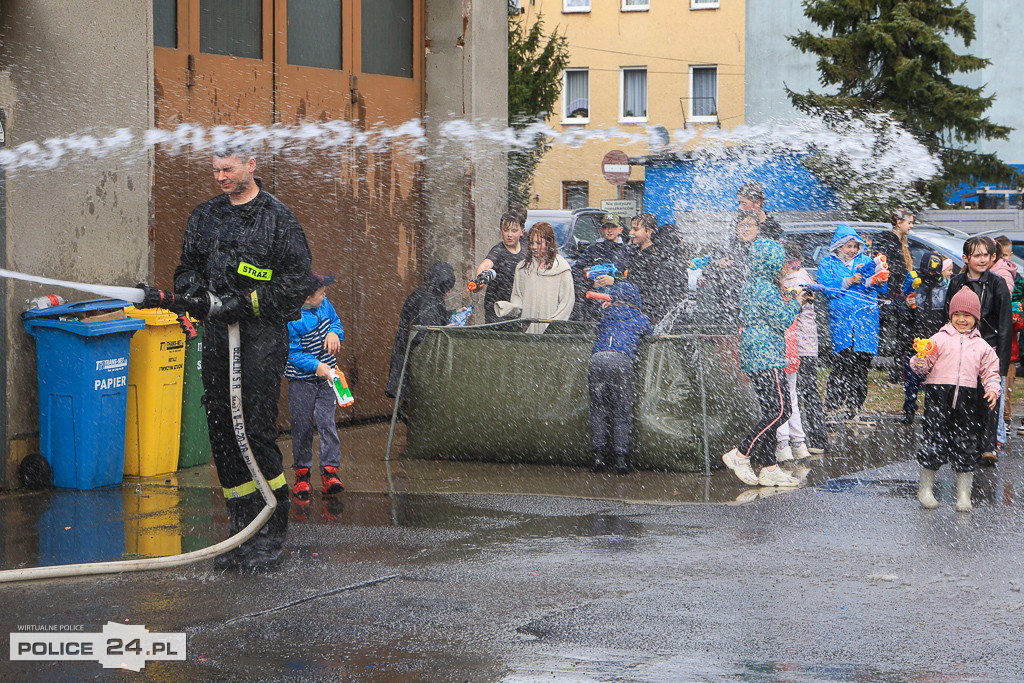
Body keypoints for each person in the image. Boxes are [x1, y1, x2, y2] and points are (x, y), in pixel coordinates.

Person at [173, 146, 315, 572]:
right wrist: (196, 292)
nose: (220, 177)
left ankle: (271, 529)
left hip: (260, 338)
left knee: (252, 427)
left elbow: (296, 282)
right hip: (217, 337)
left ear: (251, 166)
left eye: (228, 169)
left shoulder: (277, 220)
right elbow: (185, 268)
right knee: (222, 427)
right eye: (215, 169)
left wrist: (246, 303)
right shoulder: (205, 217)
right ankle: (240, 530)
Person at [721, 238, 808, 488]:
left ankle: (769, 467)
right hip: (766, 353)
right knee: (779, 411)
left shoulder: (754, 284)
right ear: (771, 263)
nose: (782, 265)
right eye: (779, 261)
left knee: (771, 410)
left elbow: (766, 311)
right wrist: (797, 303)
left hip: (755, 352)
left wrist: (789, 297)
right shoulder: (766, 288)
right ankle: (740, 453)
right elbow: (781, 320)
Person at [910, 287, 999, 512]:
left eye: (967, 316)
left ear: (976, 318)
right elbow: (923, 360)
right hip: (938, 396)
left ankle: (963, 494)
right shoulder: (939, 338)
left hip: (967, 400)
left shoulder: (982, 346)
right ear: (950, 315)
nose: (961, 319)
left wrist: (992, 389)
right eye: (957, 314)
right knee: (933, 439)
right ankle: (926, 489)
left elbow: (991, 371)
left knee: (966, 443)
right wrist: (919, 363)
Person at [944, 236, 1011, 466]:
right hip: (963, 347)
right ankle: (966, 443)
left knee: (989, 398)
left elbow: (1004, 324)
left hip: (989, 347)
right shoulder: (956, 282)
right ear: (966, 258)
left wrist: (1001, 363)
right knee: (964, 397)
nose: (982, 260)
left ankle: (988, 446)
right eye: (977, 255)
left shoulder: (997, 283)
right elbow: (949, 316)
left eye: (986, 255)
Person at [817, 224, 887, 428]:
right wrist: (848, 281)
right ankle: (831, 408)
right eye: (848, 246)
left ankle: (854, 410)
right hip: (842, 323)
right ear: (838, 246)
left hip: (866, 322)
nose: (853, 250)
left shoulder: (867, 261)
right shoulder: (827, 264)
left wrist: (880, 280)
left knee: (861, 366)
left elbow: (881, 287)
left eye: (856, 246)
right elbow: (827, 289)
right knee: (842, 365)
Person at [285, 271, 346, 502]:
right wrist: (315, 365)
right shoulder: (293, 318)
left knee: (327, 422)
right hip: (302, 381)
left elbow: (337, 322)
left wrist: (333, 332)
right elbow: (292, 353)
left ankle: (330, 472)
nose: (325, 295)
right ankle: (302, 475)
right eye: (321, 293)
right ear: (307, 298)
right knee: (301, 425)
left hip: (329, 378)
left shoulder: (325, 305)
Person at [588, 282, 652, 474]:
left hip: (597, 360)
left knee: (599, 409)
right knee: (621, 410)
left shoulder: (606, 315)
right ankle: (621, 459)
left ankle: (599, 458)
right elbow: (650, 334)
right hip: (621, 361)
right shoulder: (640, 319)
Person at [780, 242, 826, 456]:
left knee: (803, 390)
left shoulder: (795, 280)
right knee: (805, 391)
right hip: (803, 344)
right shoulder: (801, 277)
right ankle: (813, 437)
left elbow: (790, 312)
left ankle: (815, 438)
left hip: (800, 344)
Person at [386, 261, 457, 402]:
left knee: (411, 391)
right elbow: (426, 327)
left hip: (409, 350)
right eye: (447, 287)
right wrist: (443, 329)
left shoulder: (425, 293)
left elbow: (433, 316)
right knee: (419, 394)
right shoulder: (429, 298)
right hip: (418, 354)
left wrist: (453, 313)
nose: (448, 292)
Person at [494, 221, 574, 333]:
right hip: (527, 334)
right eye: (531, 243)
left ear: (549, 242)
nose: (534, 247)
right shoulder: (522, 269)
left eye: (539, 243)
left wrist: (552, 328)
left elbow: (566, 305)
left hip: (551, 336)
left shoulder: (562, 269)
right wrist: (508, 308)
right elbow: (518, 299)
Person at [901, 251, 947, 424]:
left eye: (933, 273)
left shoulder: (944, 288)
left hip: (937, 340)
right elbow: (900, 311)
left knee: (935, 379)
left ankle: (934, 411)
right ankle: (909, 408)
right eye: (926, 271)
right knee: (912, 379)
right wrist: (907, 306)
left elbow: (947, 313)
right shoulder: (914, 284)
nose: (929, 276)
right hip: (915, 339)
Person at [695, 210, 761, 330]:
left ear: (757, 229)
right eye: (741, 225)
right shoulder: (724, 248)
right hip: (728, 308)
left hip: (757, 308)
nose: (745, 229)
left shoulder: (763, 249)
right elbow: (706, 274)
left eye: (749, 225)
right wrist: (717, 264)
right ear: (736, 228)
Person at [873, 208, 915, 382]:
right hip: (887, 296)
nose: (911, 226)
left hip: (897, 294)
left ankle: (898, 372)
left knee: (901, 334)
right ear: (899, 222)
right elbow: (884, 267)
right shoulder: (888, 240)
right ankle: (889, 370)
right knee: (883, 333)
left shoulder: (901, 242)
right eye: (909, 222)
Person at [572, 213, 630, 321]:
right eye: (606, 227)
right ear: (601, 229)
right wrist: (592, 282)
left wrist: (614, 281)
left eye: (613, 227)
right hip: (593, 304)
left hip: (617, 303)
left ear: (620, 229)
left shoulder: (627, 252)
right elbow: (575, 272)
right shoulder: (592, 250)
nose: (609, 230)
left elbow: (632, 279)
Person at [474, 212, 526, 324]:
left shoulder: (527, 250)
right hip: (497, 307)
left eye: (514, 230)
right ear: (501, 230)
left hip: (518, 305)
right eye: (506, 230)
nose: (509, 235)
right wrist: (479, 280)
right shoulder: (498, 251)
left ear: (522, 231)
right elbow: (484, 265)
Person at [990, 236, 1019, 431]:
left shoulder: (1002, 274)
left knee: (1002, 382)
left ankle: (1001, 424)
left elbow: (1002, 308)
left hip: (1000, 340)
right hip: (996, 337)